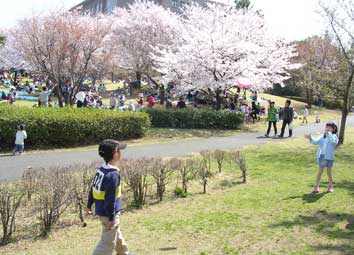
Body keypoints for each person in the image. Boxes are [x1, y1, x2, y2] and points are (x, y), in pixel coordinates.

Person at [87, 140, 135, 255]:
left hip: (102, 211)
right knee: (107, 242)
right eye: (119, 150)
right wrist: (111, 217)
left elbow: (93, 189)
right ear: (115, 154)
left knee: (116, 234)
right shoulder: (113, 175)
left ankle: (124, 253)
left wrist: (88, 205)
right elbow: (110, 199)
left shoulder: (101, 170)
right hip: (108, 213)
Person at [304, 122, 338, 193]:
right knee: (320, 172)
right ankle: (316, 186)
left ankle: (330, 186)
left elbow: (333, 141)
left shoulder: (334, 136)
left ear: (333, 129)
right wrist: (310, 138)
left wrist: (328, 134)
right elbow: (315, 142)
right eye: (326, 127)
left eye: (329, 127)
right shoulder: (322, 137)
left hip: (330, 158)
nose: (327, 128)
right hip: (322, 157)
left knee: (329, 173)